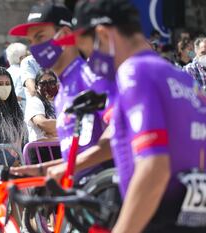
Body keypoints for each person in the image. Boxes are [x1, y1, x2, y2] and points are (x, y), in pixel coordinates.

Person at [53, 0, 206, 232]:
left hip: (156, 221)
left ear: (103, 35)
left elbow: (153, 168)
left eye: (87, 51)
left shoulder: (133, 71)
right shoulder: (183, 79)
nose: (91, 63)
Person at [9, 3, 115, 177]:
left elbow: (119, 136)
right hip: (80, 195)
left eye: (40, 37)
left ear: (65, 34)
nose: (34, 48)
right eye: (31, 41)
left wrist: (65, 169)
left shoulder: (93, 78)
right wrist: (41, 169)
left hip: (107, 194)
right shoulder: (62, 92)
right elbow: (80, 154)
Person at [24, 69, 61, 164]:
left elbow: (74, 123)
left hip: (59, 151)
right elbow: (43, 123)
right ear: (36, 87)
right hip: (41, 154)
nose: (48, 86)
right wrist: (63, 129)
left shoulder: (61, 101)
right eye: (43, 83)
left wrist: (53, 135)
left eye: (51, 82)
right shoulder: (35, 102)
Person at [5, 42, 27, 110]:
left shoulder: (6, 71)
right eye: (25, 55)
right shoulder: (22, 72)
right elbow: (18, 96)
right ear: (21, 57)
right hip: (21, 110)